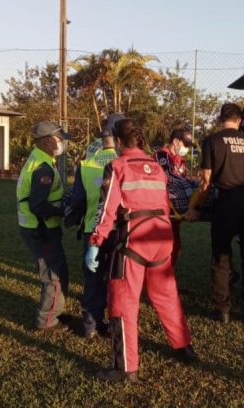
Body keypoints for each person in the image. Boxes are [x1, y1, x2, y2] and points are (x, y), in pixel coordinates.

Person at [87, 118, 197, 383]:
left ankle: (125, 369)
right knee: (167, 296)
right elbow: (164, 204)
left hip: (132, 243)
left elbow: (107, 209)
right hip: (161, 239)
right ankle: (184, 347)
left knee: (123, 303)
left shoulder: (117, 166)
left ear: (118, 140)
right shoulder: (157, 168)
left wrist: (96, 242)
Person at [186, 103, 244, 326]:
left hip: (228, 203)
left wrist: (195, 208)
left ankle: (222, 311)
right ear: (240, 120)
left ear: (220, 119)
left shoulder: (213, 141)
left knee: (221, 257)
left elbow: (205, 182)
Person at [67, 114, 124, 339]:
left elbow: (77, 202)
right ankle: (113, 325)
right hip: (118, 231)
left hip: (93, 229)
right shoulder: (123, 164)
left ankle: (90, 326)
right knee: (115, 279)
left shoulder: (86, 165)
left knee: (92, 279)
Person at [17, 121, 71, 331]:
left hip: (39, 227)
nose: (62, 143)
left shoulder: (39, 159)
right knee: (53, 273)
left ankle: (55, 310)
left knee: (57, 270)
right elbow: (38, 205)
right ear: (48, 140)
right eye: (60, 139)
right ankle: (47, 320)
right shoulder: (43, 168)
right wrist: (63, 210)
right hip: (41, 229)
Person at [153, 128, 194, 267]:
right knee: (163, 248)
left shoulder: (180, 160)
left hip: (175, 212)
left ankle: (169, 278)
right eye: (185, 145)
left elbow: (184, 177)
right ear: (176, 142)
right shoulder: (162, 155)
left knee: (175, 246)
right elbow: (168, 176)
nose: (186, 149)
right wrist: (189, 186)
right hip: (162, 210)